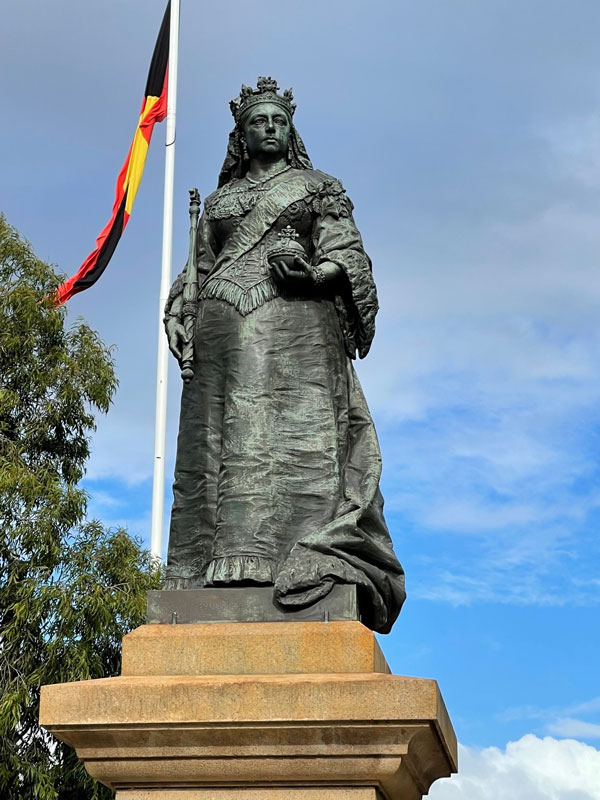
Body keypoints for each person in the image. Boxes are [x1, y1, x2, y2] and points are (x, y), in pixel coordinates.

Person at [163, 77, 405, 633]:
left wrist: (316, 274)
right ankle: (205, 569)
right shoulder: (218, 202)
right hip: (222, 337)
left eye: (278, 121)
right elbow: (198, 269)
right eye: (258, 121)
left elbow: (347, 251)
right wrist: (178, 311)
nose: (269, 128)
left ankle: (302, 559)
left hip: (297, 330)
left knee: (297, 445)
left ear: (291, 131)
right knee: (218, 445)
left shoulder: (318, 187)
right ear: (241, 135)